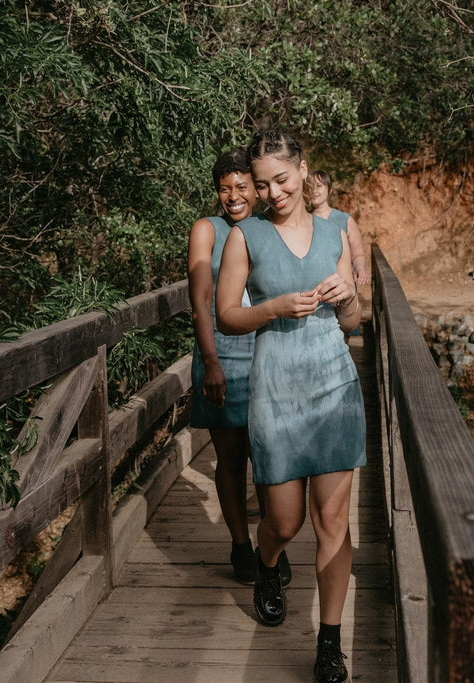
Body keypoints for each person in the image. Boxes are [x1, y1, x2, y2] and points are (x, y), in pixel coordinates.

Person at [216, 129, 366, 683]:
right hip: (276, 386)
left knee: (333, 521)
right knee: (283, 521)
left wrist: (350, 299)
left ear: (303, 171)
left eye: (281, 180)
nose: (273, 193)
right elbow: (227, 313)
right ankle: (268, 563)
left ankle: (330, 644)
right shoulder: (245, 238)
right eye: (262, 185)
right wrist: (272, 307)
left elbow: (352, 323)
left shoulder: (338, 231)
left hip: (334, 386)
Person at [187, 149, 291, 586]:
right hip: (222, 359)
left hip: (267, 353)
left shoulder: (268, 227)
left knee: (268, 457)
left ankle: (271, 544)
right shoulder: (205, 230)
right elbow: (200, 300)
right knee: (230, 459)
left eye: (243, 186)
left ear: (257, 188)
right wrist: (211, 362)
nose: (234, 196)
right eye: (225, 188)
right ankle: (240, 544)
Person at [310, 170, 371, 287]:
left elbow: (357, 254)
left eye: (319, 186)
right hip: (315, 289)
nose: (314, 190)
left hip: (344, 287)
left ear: (329, 190)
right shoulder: (303, 222)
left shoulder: (345, 220)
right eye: (310, 186)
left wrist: (360, 269)